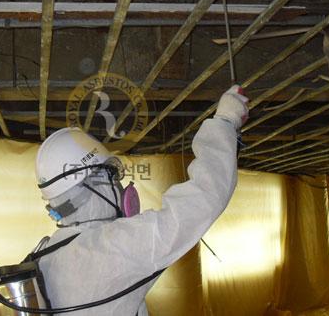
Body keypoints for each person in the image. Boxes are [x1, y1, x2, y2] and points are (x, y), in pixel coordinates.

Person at [34, 85, 249, 315]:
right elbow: (203, 198)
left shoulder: (44, 252)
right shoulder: (110, 248)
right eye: (111, 176)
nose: (119, 186)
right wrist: (226, 121)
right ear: (91, 186)